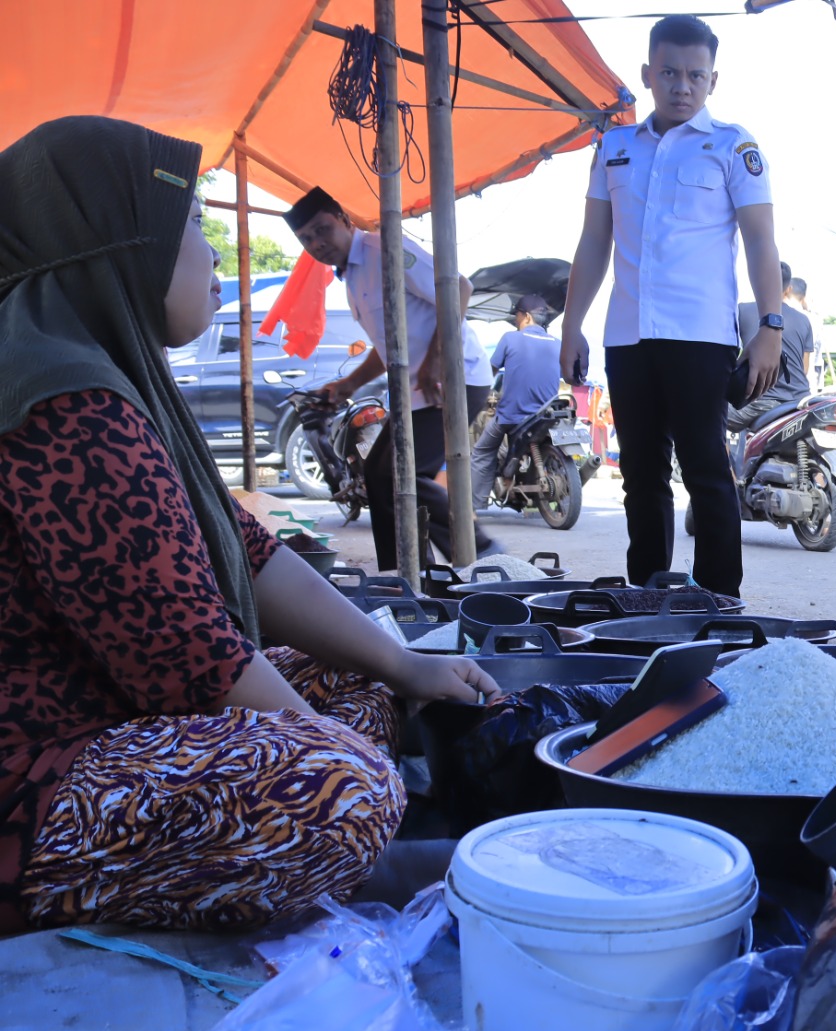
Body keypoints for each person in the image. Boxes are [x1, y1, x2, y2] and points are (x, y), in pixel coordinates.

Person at [0, 116, 500, 934]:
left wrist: (408, 666)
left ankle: (320, 843)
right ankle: (345, 853)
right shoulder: (65, 405)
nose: (213, 257)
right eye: (193, 224)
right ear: (122, 242)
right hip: (31, 782)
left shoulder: (103, 375)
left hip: (112, 716)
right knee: (344, 786)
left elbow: (252, 554)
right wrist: (340, 759)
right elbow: (193, 664)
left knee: (366, 678)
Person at [560, 14, 783, 597]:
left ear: (713, 80)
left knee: (706, 469)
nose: (682, 86)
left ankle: (720, 601)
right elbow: (593, 242)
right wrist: (572, 325)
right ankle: (648, 595)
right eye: (669, 73)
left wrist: (770, 325)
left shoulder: (733, 145)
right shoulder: (614, 148)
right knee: (640, 474)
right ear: (647, 74)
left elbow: (761, 240)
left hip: (701, 335)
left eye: (695, 75)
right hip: (627, 335)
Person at [286, 186, 496, 571]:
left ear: (344, 219)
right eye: (306, 239)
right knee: (379, 476)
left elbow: (459, 288)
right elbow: (390, 344)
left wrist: (435, 360)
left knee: (403, 474)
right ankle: (407, 575)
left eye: (322, 229)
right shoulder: (351, 277)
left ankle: (482, 554)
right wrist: (347, 385)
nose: (316, 244)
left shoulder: (385, 249)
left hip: (455, 379)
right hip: (415, 390)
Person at [470, 291, 563, 510]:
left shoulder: (510, 338)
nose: (515, 322)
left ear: (527, 317)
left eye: (517, 317)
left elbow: (489, 373)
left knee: (482, 451)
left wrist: (478, 395)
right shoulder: (558, 344)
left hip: (513, 416)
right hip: (547, 414)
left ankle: (474, 505)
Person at [730, 260, 814, 431]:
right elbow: (804, 368)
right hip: (801, 399)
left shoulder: (741, 311)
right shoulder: (804, 319)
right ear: (788, 288)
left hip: (760, 402)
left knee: (709, 415)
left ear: (757, 282)